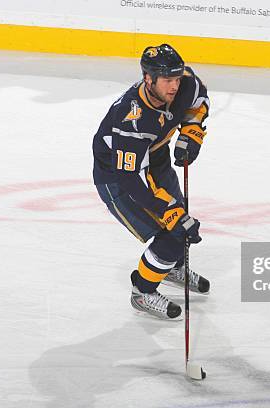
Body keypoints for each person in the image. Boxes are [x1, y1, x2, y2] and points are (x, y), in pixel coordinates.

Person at [92, 44, 211, 320]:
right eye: (167, 80)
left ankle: (172, 266)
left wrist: (192, 132)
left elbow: (199, 100)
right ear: (148, 79)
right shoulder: (131, 119)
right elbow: (131, 179)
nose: (174, 85)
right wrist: (168, 212)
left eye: (176, 78)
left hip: (154, 158)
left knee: (179, 219)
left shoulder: (186, 83)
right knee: (172, 232)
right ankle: (143, 291)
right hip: (119, 178)